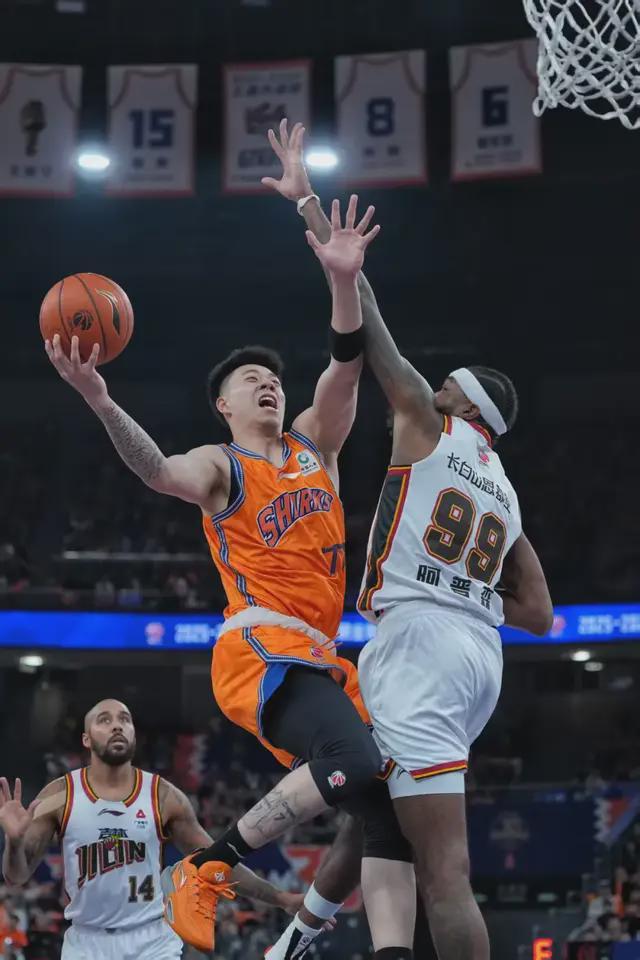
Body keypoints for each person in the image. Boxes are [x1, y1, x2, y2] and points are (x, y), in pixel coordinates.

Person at [44, 200, 415, 958]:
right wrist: (100, 398)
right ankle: (207, 867)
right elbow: (157, 471)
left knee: (385, 808)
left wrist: (343, 279)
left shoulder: (317, 447)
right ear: (224, 405)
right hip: (259, 649)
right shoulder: (221, 464)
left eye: (273, 378)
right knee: (354, 764)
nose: (268, 384)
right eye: (252, 380)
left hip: (318, 651)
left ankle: (338, 947)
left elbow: (347, 363)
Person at [265, 118, 554, 960]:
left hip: (422, 645)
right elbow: (539, 613)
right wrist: (469, 588)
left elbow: (371, 328)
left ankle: (240, 871)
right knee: (376, 807)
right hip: (477, 659)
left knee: (444, 872)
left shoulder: (430, 420)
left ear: (459, 401)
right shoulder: (505, 492)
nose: (434, 387)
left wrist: (315, 219)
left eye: (445, 384)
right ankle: (297, 940)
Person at [0, 698, 305, 960]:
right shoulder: (60, 795)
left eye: (124, 720)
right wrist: (13, 842)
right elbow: (16, 876)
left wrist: (281, 898)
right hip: (86, 941)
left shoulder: (163, 796)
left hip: (151, 941)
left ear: (134, 734)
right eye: (104, 720)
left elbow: (217, 861)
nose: (117, 726)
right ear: (86, 739)